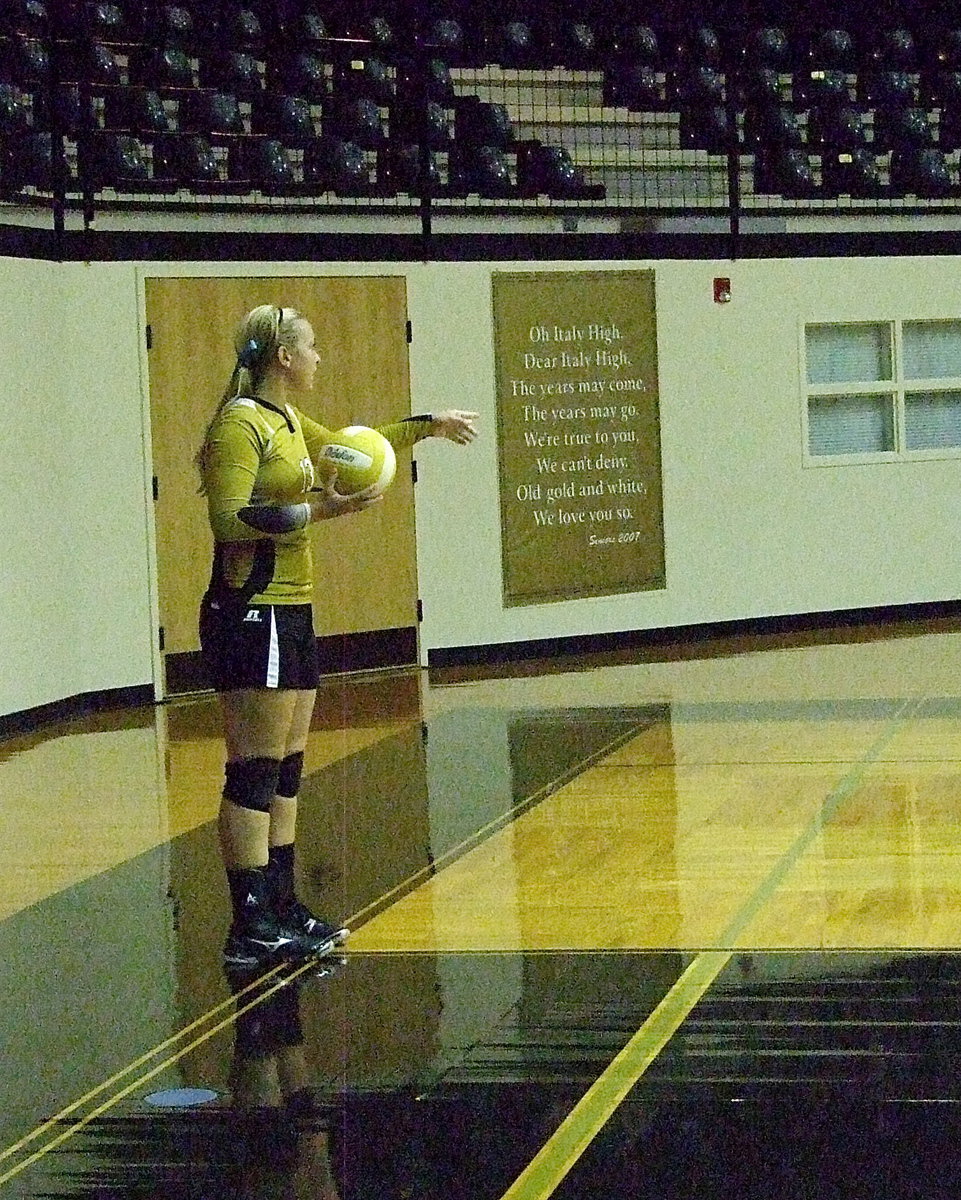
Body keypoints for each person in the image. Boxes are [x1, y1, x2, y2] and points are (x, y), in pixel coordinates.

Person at [197, 303, 477, 970]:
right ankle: (249, 925)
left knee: (287, 769)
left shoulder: (290, 421)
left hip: (293, 609)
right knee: (253, 771)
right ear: (284, 357)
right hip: (251, 610)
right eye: (312, 346)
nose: (318, 356)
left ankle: (282, 904)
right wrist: (323, 510)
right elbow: (231, 521)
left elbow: (357, 446)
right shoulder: (240, 424)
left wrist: (428, 427)